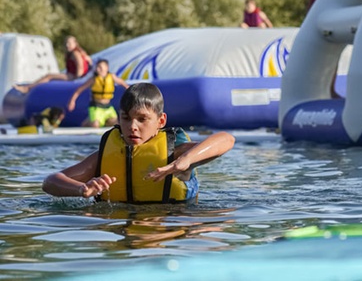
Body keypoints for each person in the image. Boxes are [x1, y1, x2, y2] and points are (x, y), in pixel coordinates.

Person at [42, 83, 235, 203]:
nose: (132, 126)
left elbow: (227, 139)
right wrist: (82, 189)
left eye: (142, 119)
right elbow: (50, 182)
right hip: (121, 230)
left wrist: (184, 161)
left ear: (161, 122)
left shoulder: (174, 154)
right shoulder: (104, 157)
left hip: (171, 226)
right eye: (126, 118)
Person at [14, 36, 92, 93]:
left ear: (75, 44)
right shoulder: (80, 52)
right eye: (66, 43)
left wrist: (76, 79)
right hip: (73, 75)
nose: (67, 45)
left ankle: (27, 88)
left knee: (49, 76)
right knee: (50, 77)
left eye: (69, 43)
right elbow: (89, 63)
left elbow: (80, 67)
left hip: (73, 76)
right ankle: (31, 86)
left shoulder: (75, 53)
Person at [67, 59, 130, 128]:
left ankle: (88, 121)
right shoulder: (93, 79)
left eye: (100, 67)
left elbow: (122, 83)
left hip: (108, 107)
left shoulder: (111, 77)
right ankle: (85, 125)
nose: (98, 69)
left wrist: (128, 88)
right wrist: (72, 101)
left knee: (116, 125)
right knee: (95, 125)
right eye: (97, 67)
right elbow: (79, 89)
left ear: (106, 68)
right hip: (96, 107)